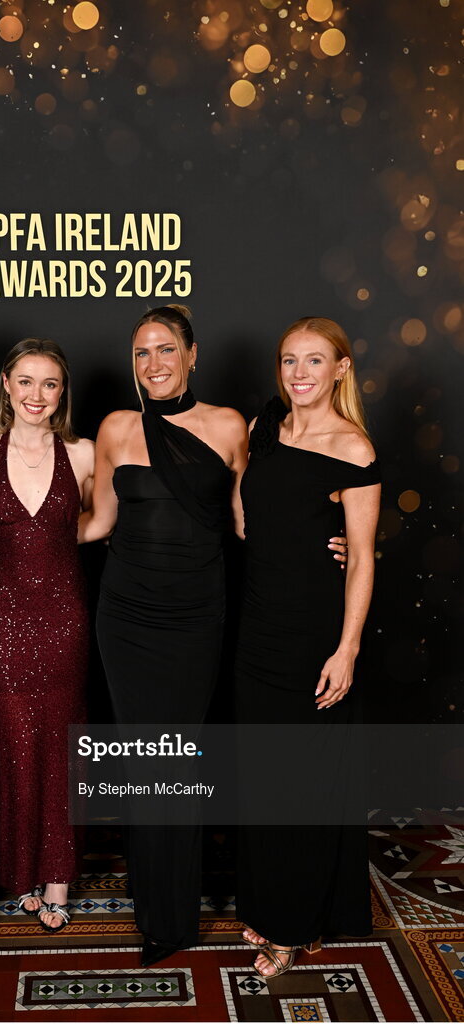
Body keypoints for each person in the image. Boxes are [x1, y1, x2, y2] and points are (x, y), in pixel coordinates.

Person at [79, 305, 249, 966]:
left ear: (192, 354)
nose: (152, 363)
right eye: (141, 352)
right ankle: (156, 914)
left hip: (194, 616)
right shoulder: (116, 428)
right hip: (124, 617)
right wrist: (14, 541)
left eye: (165, 349)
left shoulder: (227, 426)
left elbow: (245, 523)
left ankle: (174, 913)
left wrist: (333, 545)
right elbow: (95, 523)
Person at [234, 316, 381, 978]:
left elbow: (363, 559)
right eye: (288, 360)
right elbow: (251, 519)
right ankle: (277, 905)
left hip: (312, 632)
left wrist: (346, 649)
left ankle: (289, 929)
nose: (297, 373)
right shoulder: (263, 428)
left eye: (313, 361)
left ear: (340, 370)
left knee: (303, 780)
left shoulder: (352, 448)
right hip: (256, 625)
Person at [0, 339, 94, 933]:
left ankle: (59, 876)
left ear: (61, 392)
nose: (36, 395)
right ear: (7, 384)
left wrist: (50, 543)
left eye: (49, 384)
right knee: (14, 741)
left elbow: (109, 519)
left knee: (62, 740)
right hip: (3, 617)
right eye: (26, 382)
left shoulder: (85, 453)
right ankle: (20, 872)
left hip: (64, 615)